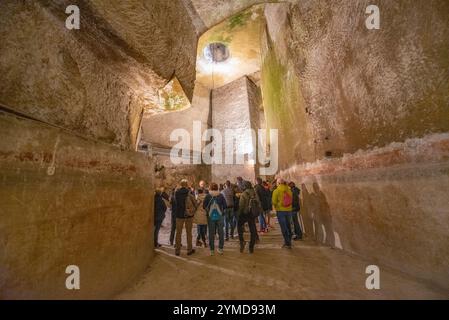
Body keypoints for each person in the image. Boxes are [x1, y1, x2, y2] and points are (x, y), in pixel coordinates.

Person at [173, 179, 197, 256]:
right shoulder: (189, 192)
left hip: (179, 215)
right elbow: (195, 204)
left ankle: (177, 251)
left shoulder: (176, 193)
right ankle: (189, 250)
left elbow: (174, 203)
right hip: (188, 215)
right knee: (189, 233)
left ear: (180, 185)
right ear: (186, 185)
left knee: (178, 233)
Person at [203, 183, 227, 256]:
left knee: (211, 233)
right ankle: (220, 248)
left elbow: (204, 206)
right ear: (217, 188)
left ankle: (212, 250)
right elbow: (225, 206)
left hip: (210, 216)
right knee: (221, 232)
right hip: (220, 216)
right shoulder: (220, 195)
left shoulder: (208, 196)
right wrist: (222, 211)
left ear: (210, 188)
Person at [237, 181, 261, 254]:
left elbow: (241, 206)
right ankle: (251, 247)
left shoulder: (244, 194)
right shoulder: (254, 192)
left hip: (244, 213)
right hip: (252, 214)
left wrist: (239, 214)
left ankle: (242, 241)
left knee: (239, 226)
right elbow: (258, 202)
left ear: (244, 186)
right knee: (253, 229)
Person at [272, 178, 293, 249]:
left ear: (278, 183)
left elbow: (274, 202)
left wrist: (277, 205)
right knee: (288, 225)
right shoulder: (289, 190)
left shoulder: (276, 191)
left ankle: (287, 243)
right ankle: (289, 241)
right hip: (289, 210)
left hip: (280, 211)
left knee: (283, 227)